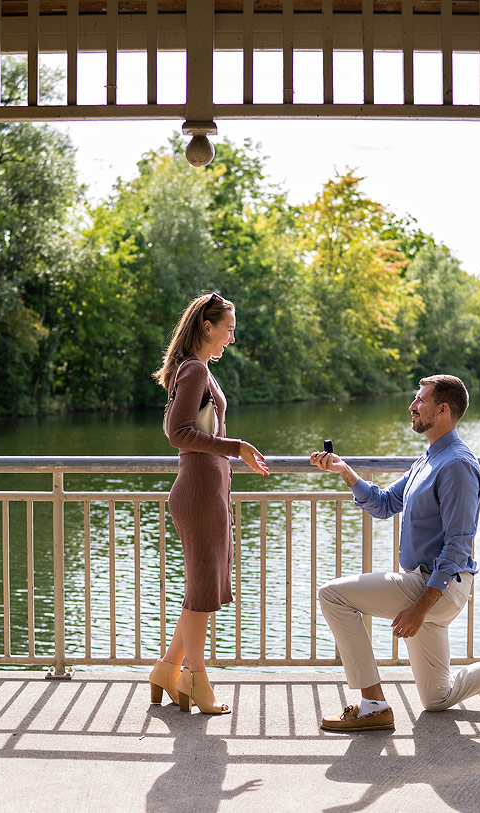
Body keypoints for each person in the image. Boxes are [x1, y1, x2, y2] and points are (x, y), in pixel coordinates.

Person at [309, 374, 480, 732]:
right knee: (437, 698)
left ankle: (373, 705)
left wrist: (421, 606)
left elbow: (458, 544)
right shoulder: (428, 458)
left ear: (442, 410)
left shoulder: (456, 465)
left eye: (420, 401)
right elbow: (384, 505)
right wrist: (347, 473)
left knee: (333, 595)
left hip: (434, 585)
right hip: (427, 583)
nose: (412, 406)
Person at [148, 291, 270, 715]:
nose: (231, 339)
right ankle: (195, 680)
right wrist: (235, 446)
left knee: (202, 590)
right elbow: (179, 434)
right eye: (229, 329)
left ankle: (166, 669)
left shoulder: (196, 369)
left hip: (208, 492)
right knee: (201, 594)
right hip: (199, 493)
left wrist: (230, 455)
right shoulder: (196, 369)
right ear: (207, 326)